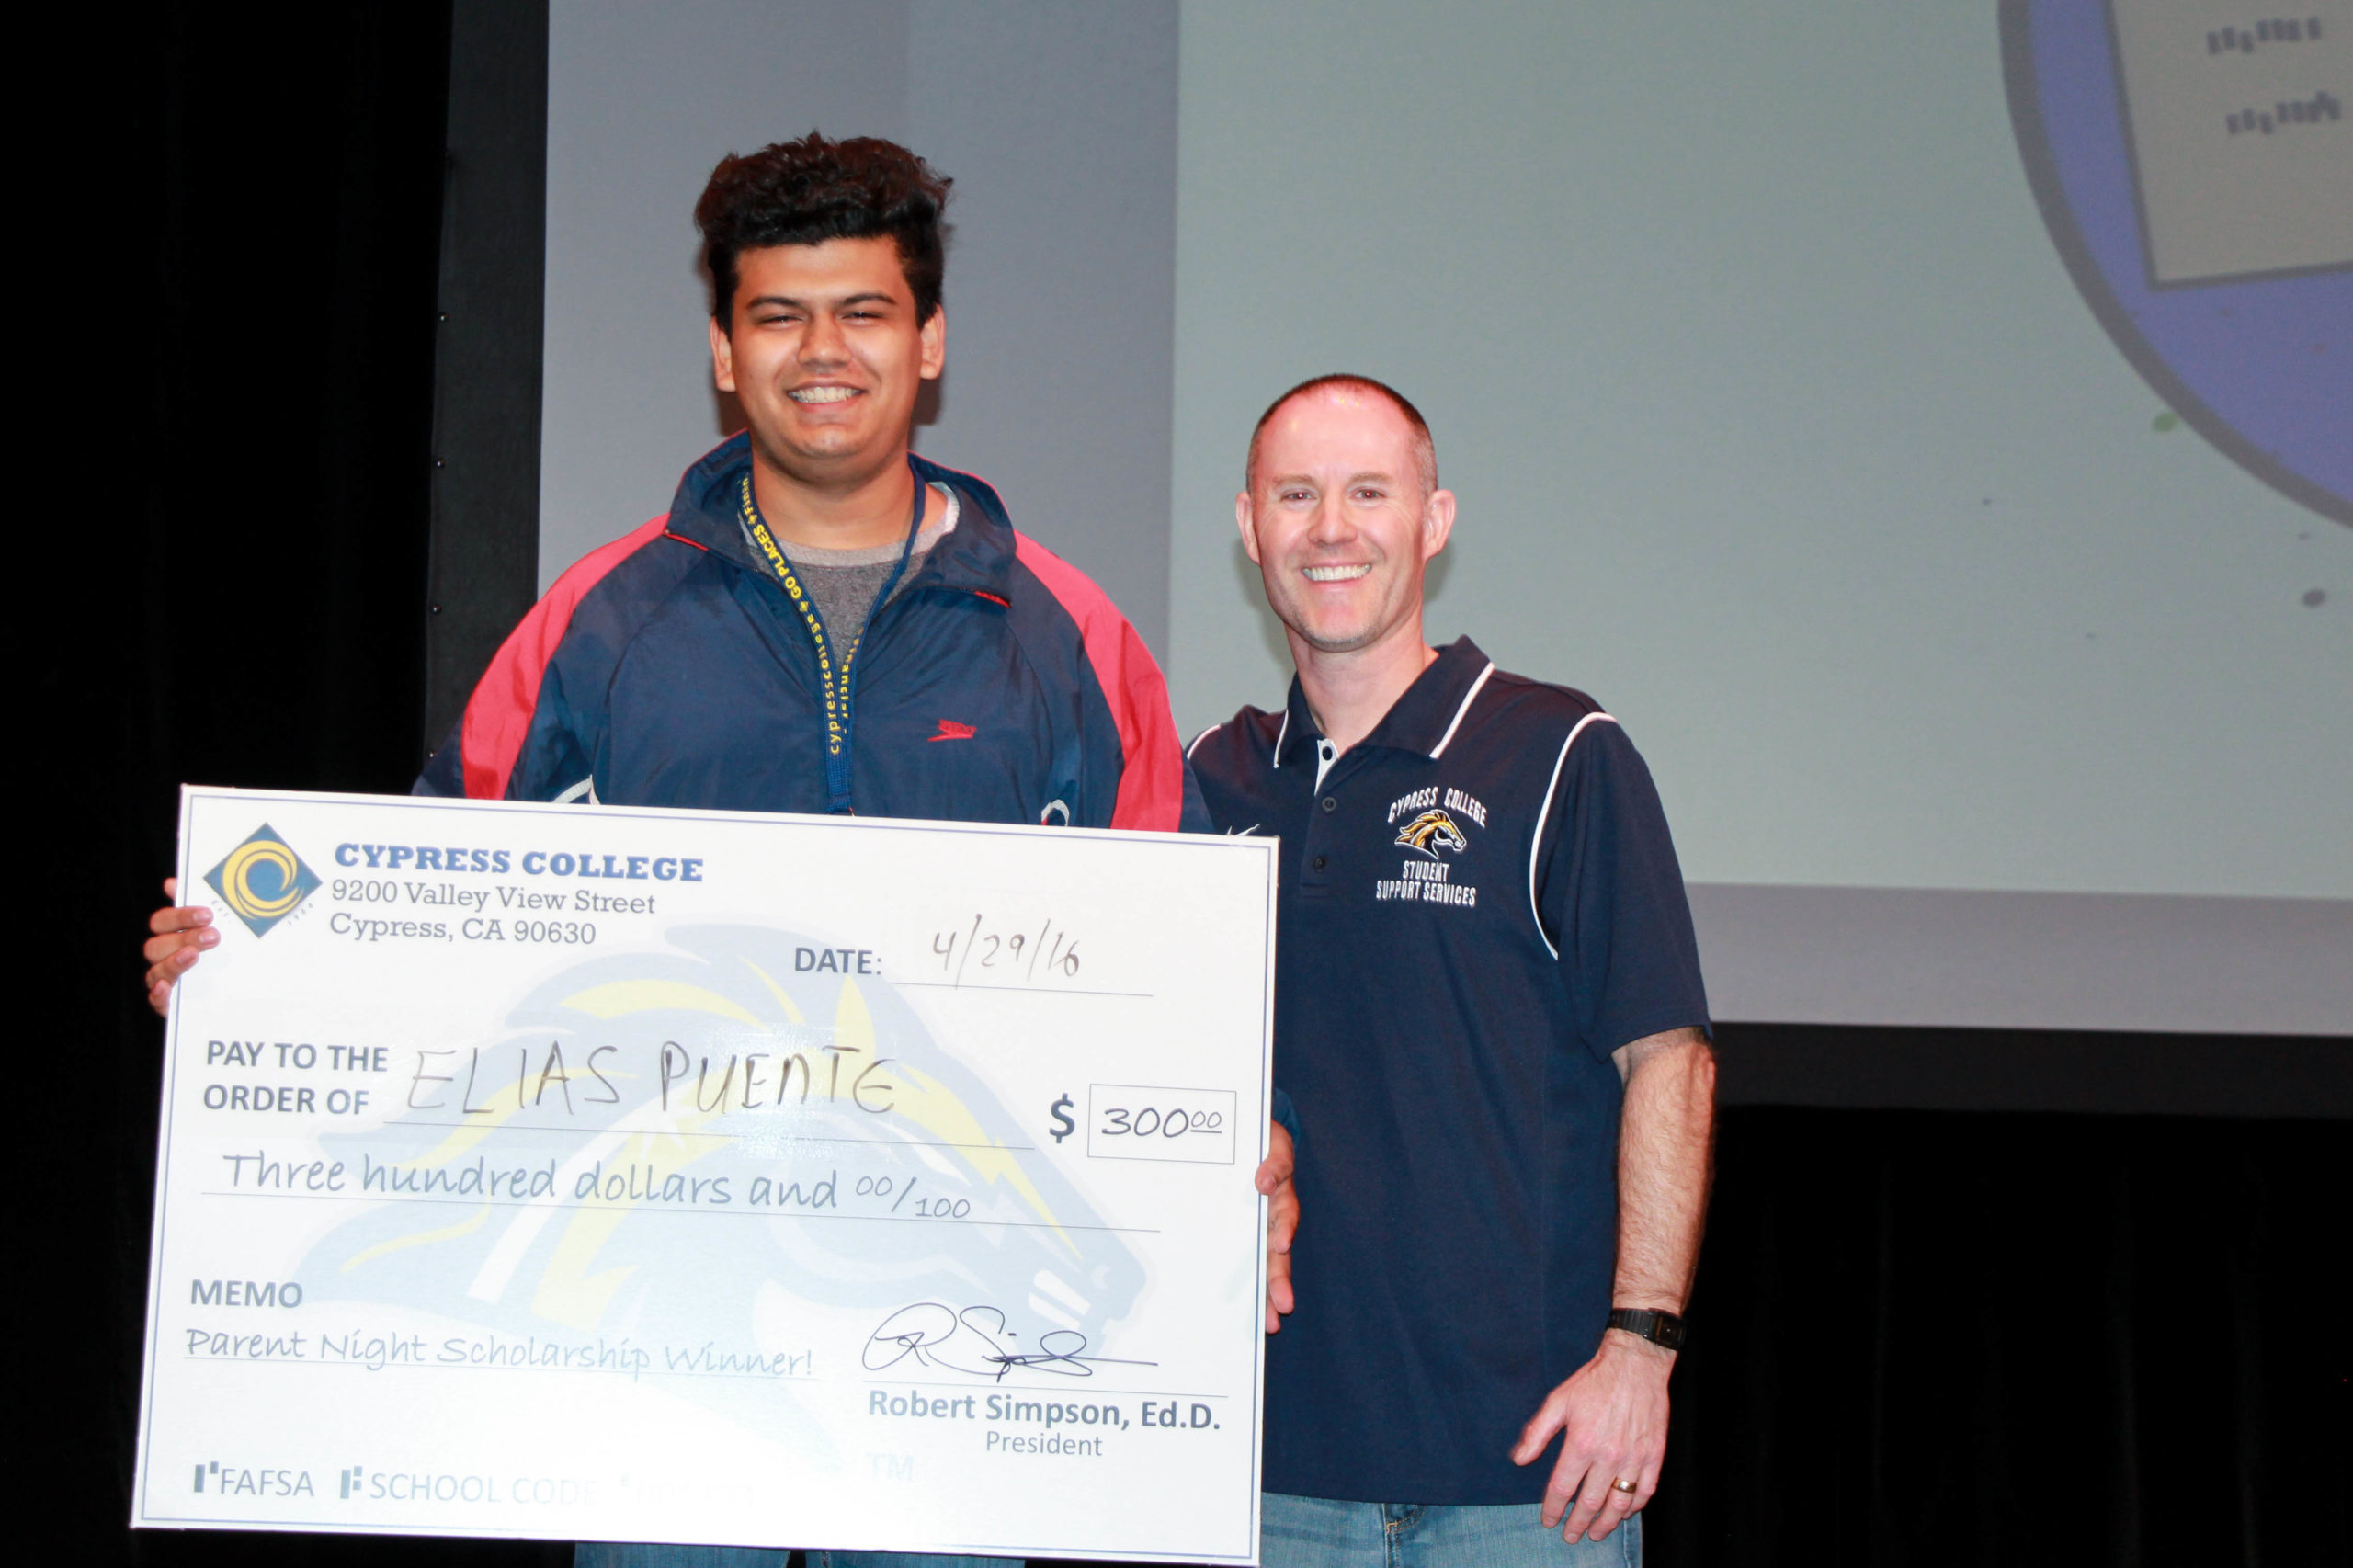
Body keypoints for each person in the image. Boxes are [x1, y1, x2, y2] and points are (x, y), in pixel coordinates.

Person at [141, 132, 1297, 1568]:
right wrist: (248, 968)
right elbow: (415, 893)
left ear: (929, 342)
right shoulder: (605, 621)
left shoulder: (1067, 635)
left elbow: (1174, 946)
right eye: (780, 315)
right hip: (664, 1390)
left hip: (954, 1408)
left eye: (865, 311)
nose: (825, 351)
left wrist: (1246, 1127)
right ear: (723, 350)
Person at [1186, 375, 1715, 1566]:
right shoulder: (1211, 782)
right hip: (1260, 1480)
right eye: (1297, 494)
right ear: (1248, 525)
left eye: (1370, 492)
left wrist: (1641, 1348)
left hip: (1521, 1489)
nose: (1331, 528)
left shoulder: (1559, 752)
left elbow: (1669, 1063)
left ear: (1434, 519)